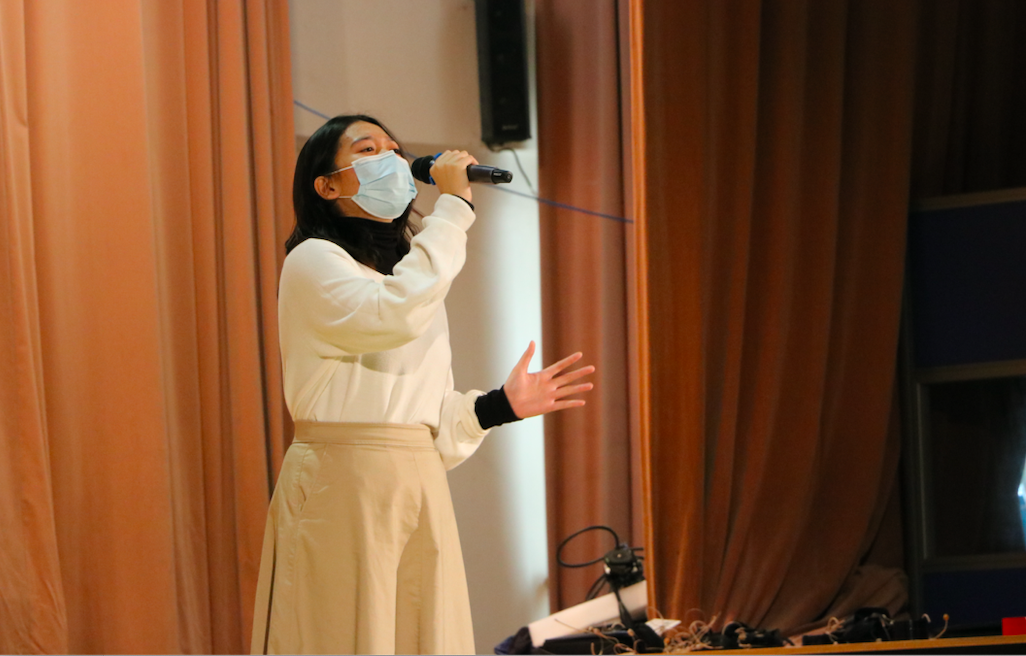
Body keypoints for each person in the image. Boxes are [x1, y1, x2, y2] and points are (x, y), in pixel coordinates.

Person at [250, 115, 595, 655]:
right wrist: (453, 207)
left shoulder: (403, 279)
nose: (391, 157)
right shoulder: (314, 261)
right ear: (328, 185)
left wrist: (499, 407)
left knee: (423, 634)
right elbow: (393, 316)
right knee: (342, 635)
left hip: (415, 482)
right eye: (368, 149)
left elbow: (421, 419)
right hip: (344, 484)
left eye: (394, 148)